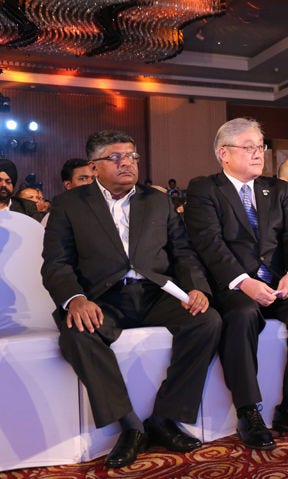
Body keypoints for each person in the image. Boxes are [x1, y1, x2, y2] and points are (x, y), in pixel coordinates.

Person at [41, 130, 222, 469]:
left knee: (207, 321)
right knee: (77, 333)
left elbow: (182, 252)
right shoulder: (69, 204)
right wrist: (75, 299)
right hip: (103, 298)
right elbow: (56, 264)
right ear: (94, 167)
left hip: (156, 294)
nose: (127, 163)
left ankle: (165, 418)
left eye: (131, 156)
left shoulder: (157, 201)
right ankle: (130, 426)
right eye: (115, 157)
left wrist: (196, 287)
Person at [183, 118, 288, 451]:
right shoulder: (205, 189)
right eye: (249, 147)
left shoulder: (277, 189)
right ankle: (249, 411)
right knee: (243, 314)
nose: (258, 153)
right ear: (224, 153)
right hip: (233, 286)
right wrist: (243, 281)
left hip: (276, 284)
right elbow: (209, 243)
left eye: (261, 146)